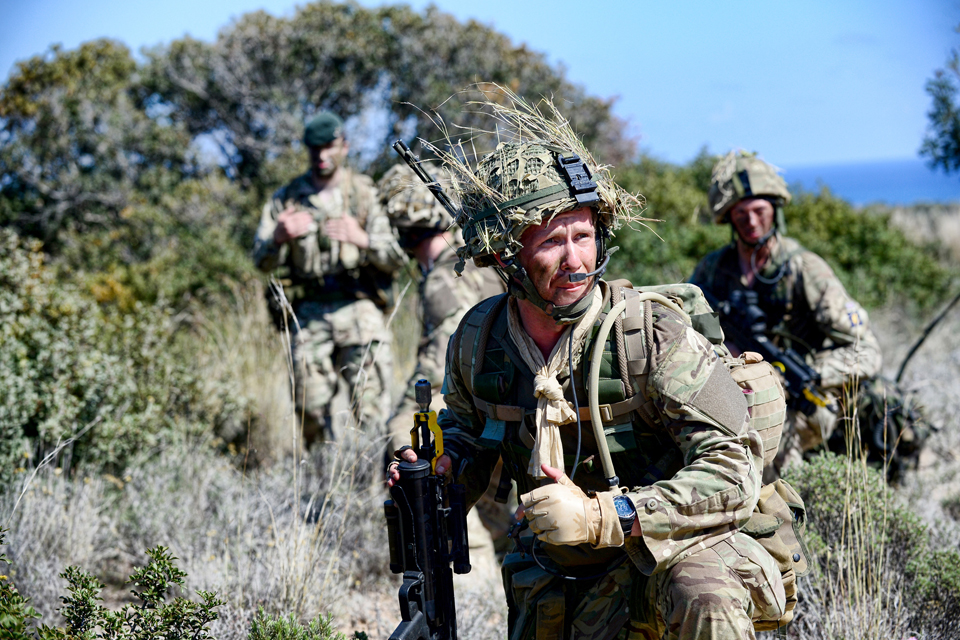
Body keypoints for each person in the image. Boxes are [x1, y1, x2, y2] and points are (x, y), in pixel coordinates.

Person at [388, 107, 789, 638]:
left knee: (705, 589)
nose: (576, 259)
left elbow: (734, 468)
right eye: (552, 241)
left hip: (668, 551)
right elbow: (471, 436)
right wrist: (442, 469)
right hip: (561, 568)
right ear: (507, 255)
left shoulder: (648, 335)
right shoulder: (478, 341)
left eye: (584, 235)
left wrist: (608, 515)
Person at [689, 150, 883, 478]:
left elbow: (868, 352)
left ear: (775, 211)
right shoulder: (713, 269)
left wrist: (813, 373)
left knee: (772, 460)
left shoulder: (804, 269)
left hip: (803, 398)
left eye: (759, 211)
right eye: (741, 214)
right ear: (729, 219)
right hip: (733, 387)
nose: (751, 221)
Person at [378, 162, 509, 590]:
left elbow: (444, 369)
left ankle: (474, 589)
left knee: (425, 455)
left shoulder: (445, 277)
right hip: (508, 407)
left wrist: (400, 429)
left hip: (482, 411)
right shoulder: (482, 257)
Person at [253, 111, 405, 446]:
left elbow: (397, 256)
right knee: (309, 407)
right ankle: (320, 485)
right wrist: (278, 237)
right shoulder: (287, 199)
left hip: (361, 309)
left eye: (329, 147)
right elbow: (260, 261)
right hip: (309, 314)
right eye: (314, 149)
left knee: (372, 408)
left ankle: (372, 488)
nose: (322, 156)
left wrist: (362, 240)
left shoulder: (365, 194)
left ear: (344, 146)